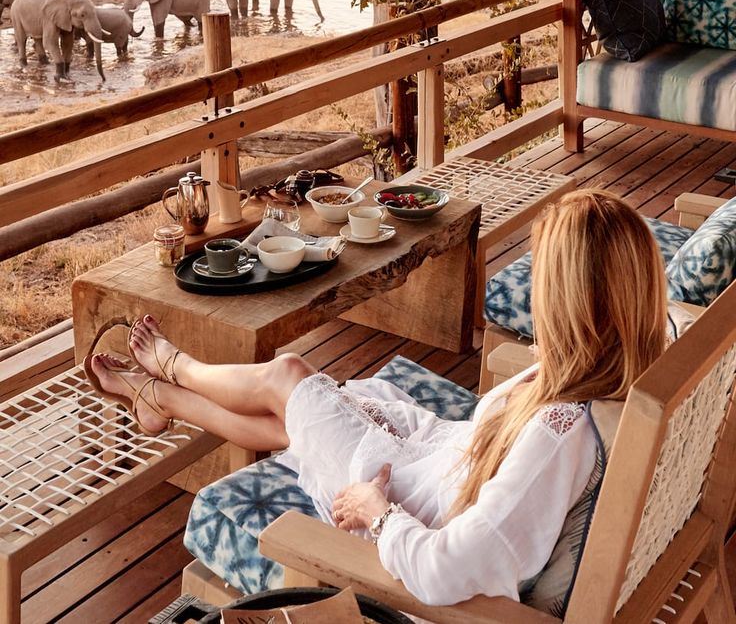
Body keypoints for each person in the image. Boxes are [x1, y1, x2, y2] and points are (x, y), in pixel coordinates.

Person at [84, 188, 668, 611]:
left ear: (571, 302)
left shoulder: (559, 434)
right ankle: (161, 398)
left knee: (289, 377)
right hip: (431, 462)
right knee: (304, 415)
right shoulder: (620, 363)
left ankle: (172, 367)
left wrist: (375, 512)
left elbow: (448, 571)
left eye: (544, 282)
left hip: (401, 509)